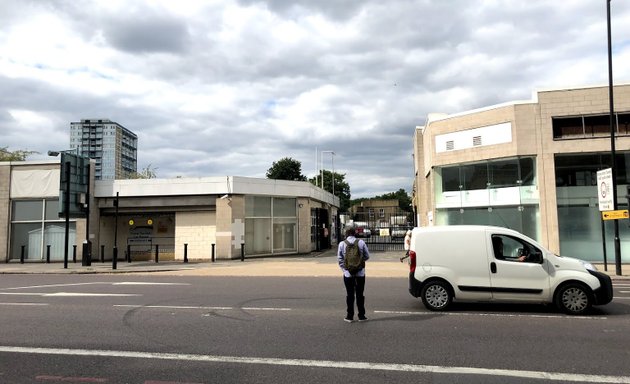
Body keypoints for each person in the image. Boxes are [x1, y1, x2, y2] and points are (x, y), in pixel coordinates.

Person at [337, 223, 370, 323]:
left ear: (346, 233)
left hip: (348, 274)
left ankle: (349, 316)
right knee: (360, 294)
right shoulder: (361, 243)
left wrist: (346, 269)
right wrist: (359, 263)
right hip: (360, 273)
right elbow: (367, 256)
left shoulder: (342, 244)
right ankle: (361, 316)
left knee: (350, 294)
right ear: (355, 233)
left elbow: (340, 259)